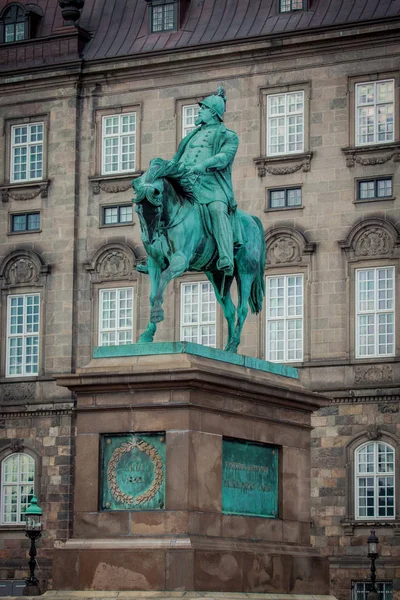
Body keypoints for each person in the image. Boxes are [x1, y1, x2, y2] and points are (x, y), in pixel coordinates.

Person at [168, 87, 239, 275]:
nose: (199, 111)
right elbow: (178, 157)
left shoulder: (228, 135)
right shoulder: (191, 136)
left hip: (210, 185)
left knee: (217, 208)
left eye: (203, 108)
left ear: (213, 113)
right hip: (185, 182)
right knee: (160, 202)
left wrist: (205, 164)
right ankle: (156, 253)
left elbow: (224, 157)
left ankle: (225, 256)